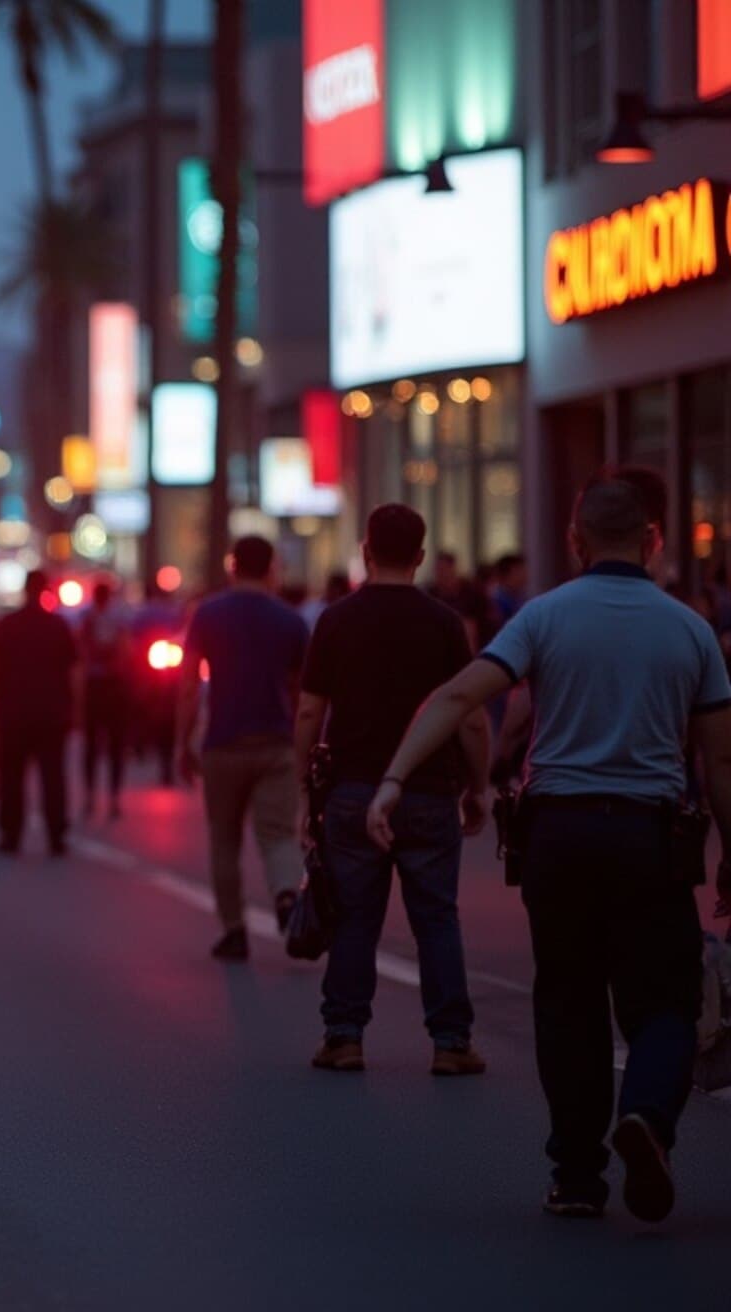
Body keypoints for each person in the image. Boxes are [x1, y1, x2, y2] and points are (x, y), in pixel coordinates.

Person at [367, 469, 731, 1223]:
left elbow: (460, 695)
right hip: (648, 834)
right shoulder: (690, 629)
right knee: (665, 998)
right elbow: (720, 758)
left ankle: (575, 1175)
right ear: (655, 540)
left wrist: (394, 780)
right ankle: (647, 1119)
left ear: (575, 540)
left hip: (558, 836)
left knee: (567, 998)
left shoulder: (544, 617)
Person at [295, 505, 489, 1075]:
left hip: (354, 790)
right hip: (429, 791)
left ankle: (344, 1035)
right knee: (437, 917)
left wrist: (305, 788)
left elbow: (310, 710)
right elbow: (471, 716)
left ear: (365, 551)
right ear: (422, 556)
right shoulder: (445, 623)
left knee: (355, 915)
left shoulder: (336, 620)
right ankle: (452, 1042)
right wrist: (477, 785)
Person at [178, 537, 310, 961]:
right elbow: (304, 692)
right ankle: (287, 895)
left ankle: (234, 930)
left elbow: (185, 685)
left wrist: (183, 741)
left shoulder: (208, 614)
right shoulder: (290, 621)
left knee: (224, 839)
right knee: (278, 834)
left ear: (232, 566)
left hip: (223, 742)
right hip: (276, 743)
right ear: (272, 567)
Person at [0, 569, 81, 855]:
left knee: (11, 777)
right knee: (53, 776)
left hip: (13, 713)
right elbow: (74, 672)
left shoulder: (7, 625)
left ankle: (10, 834)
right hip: (51, 713)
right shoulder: (58, 627)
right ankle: (56, 835)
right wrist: (76, 709)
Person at [79, 577, 134, 820]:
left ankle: (102, 796)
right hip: (106, 685)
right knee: (104, 745)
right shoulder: (95, 618)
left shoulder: (105, 617)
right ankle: (105, 796)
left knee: (102, 746)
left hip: (105, 685)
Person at [428, 551, 495, 652]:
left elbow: (485, 624)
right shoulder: (431, 593)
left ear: (453, 569)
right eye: (438, 571)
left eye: (444, 570)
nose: (441, 575)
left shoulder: (472, 593)